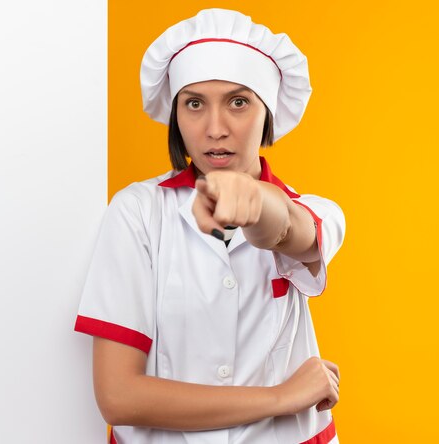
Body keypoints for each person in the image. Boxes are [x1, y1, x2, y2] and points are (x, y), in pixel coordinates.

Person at [75, 9, 345, 444]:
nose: (215, 129)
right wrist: (280, 397)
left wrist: (257, 204)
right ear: (177, 115)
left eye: (238, 102)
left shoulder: (316, 211)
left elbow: (288, 232)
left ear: (267, 112)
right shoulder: (137, 211)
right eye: (194, 103)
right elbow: (119, 397)